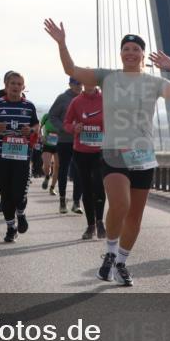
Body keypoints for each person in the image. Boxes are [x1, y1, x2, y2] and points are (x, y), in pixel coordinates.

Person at [45, 20, 170, 287]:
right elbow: (71, 70)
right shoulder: (107, 77)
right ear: (121, 53)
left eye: (136, 49)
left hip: (143, 156)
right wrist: (62, 44)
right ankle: (110, 253)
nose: (131, 53)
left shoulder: (153, 82)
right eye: (126, 49)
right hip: (113, 152)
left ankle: (121, 262)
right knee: (120, 205)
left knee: (135, 215)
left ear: (143, 55)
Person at [0, 71, 39, 243]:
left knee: (18, 194)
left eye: (19, 84)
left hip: (22, 157)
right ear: (6, 86)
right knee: (6, 195)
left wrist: (31, 130)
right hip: (1, 156)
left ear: (23, 87)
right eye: (12, 83)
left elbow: (36, 126)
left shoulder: (29, 106)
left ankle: (20, 213)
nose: (16, 87)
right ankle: (10, 228)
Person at [64, 83, 106, 239]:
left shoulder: (105, 99)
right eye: (85, 81)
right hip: (81, 152)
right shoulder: (76, 101)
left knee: (99, 185)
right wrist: (74, 128)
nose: (88, 84)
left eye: (91, 80)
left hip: (100, 151)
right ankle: (90, 225)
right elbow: (66, 123)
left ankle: (100, 221)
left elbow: (116, 121)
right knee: (86, 188)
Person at [48, 78, 83, 214]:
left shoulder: (85, 98)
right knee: (63, 169)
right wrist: (64, 128)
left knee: (79, 171)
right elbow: (52, 116)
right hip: (65, 140)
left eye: (81, 83)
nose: (79, 86)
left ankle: (76, 202)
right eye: (77, 83)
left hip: (81, 141)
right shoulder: (62, 98)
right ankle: (62, 200)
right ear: (70, 84)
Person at [40, 112, 59, 194]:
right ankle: (47, 176)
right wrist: (41, 136)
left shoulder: (63, 117)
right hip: (47, 143)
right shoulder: (46, 116)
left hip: (59, 144)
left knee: (57, 166)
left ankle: (52, 188)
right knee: (46, 165)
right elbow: (39, 127)